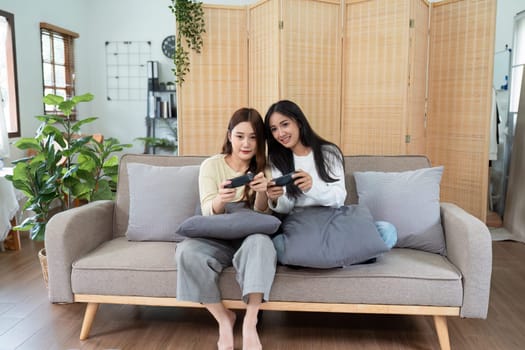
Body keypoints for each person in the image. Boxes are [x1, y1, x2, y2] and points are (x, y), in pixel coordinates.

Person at [175, 107, 276, 350]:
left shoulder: (265, 167)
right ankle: (224, 319)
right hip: (216, 233)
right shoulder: (211, 166)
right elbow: (209, 211)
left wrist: (262, 192)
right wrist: (221, 198)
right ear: (229, 135)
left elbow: (265, 216)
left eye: (253, 137)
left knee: (262, 243)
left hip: (250, 235)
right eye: (240, 136)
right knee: (186, 252)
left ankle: (250, 323)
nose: (246, 143)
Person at [263, 100, 396, 260]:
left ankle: (322, 258)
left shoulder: (329, 153)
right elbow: (286, 208)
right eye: (274, 129)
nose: (280, 133)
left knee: (387, 231)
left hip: (333, 219)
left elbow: (338, 199)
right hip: (302, 225)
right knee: (275, 246)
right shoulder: (276, 160)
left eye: (285, 124)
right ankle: (349, 256)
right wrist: (277, 198)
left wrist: (311, 187)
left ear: (298, 122)